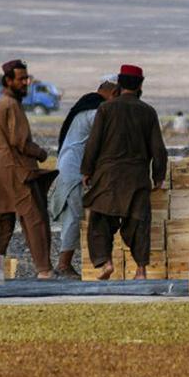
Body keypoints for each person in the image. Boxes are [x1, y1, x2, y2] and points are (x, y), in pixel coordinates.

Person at [81, 64, 168, 280]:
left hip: (107, 177)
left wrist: (86, 170)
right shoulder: (147, 112)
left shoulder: (106, 109)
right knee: (138, 223)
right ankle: (140, 270)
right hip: (136, 178)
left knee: (100, 221)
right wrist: (158, 176)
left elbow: (93, 143)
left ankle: (106, 263)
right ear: (140, 85)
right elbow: (159, 149)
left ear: (119, 84)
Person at [0, 59, 56, 278]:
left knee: (0, 219)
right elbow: (20, 141)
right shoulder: (11, 105)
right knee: (34, 218)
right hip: (14, 168)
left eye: (27, 78)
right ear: (9, 80)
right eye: (21, 79)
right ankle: (44, 270)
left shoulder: (0, 102)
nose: (26, 83)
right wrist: (41, 153)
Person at [49, 73, 119, 278]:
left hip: (70, 167)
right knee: (74, 216)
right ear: (114, 93)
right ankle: (63, 264)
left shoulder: (86, 105)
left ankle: (65, 263)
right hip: (73, 169)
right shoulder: (95, 111)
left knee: (74, 215)